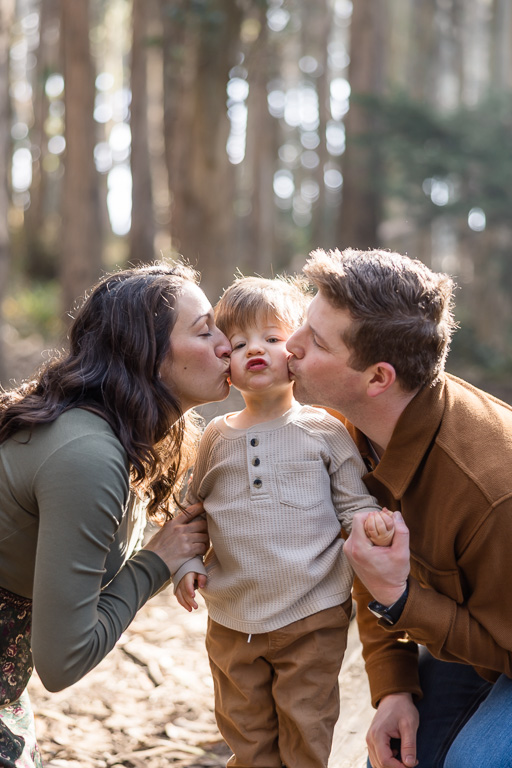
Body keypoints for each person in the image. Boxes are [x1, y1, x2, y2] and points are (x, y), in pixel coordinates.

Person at [0, 260, 233, 767]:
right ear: (147, 356)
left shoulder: (113, 437)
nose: (226, 343)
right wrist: (156, 563)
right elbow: (63, 662)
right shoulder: (86, 454)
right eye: (204, 330)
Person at [286, 247, 512, 768]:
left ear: (377, 378)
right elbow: (371, 559)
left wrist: (401, 598)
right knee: (391, 759)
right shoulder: (349, 427)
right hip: (481, 625)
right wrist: (394, 686)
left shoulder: (490, 496)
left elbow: (389, 587)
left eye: (315, 342)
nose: (289, 346)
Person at [173, 275, 394, 768]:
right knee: (246, 736)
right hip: (233, 618)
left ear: (295, 351)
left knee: (306, 732)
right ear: (224, 360)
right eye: (240, 342)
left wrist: (370, 526)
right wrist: (185, 562)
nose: (256, 349)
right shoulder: (215, 437)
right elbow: (193, 513)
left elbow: (353, 504)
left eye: (272, 339)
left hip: (311, 615)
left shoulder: (324, 429)